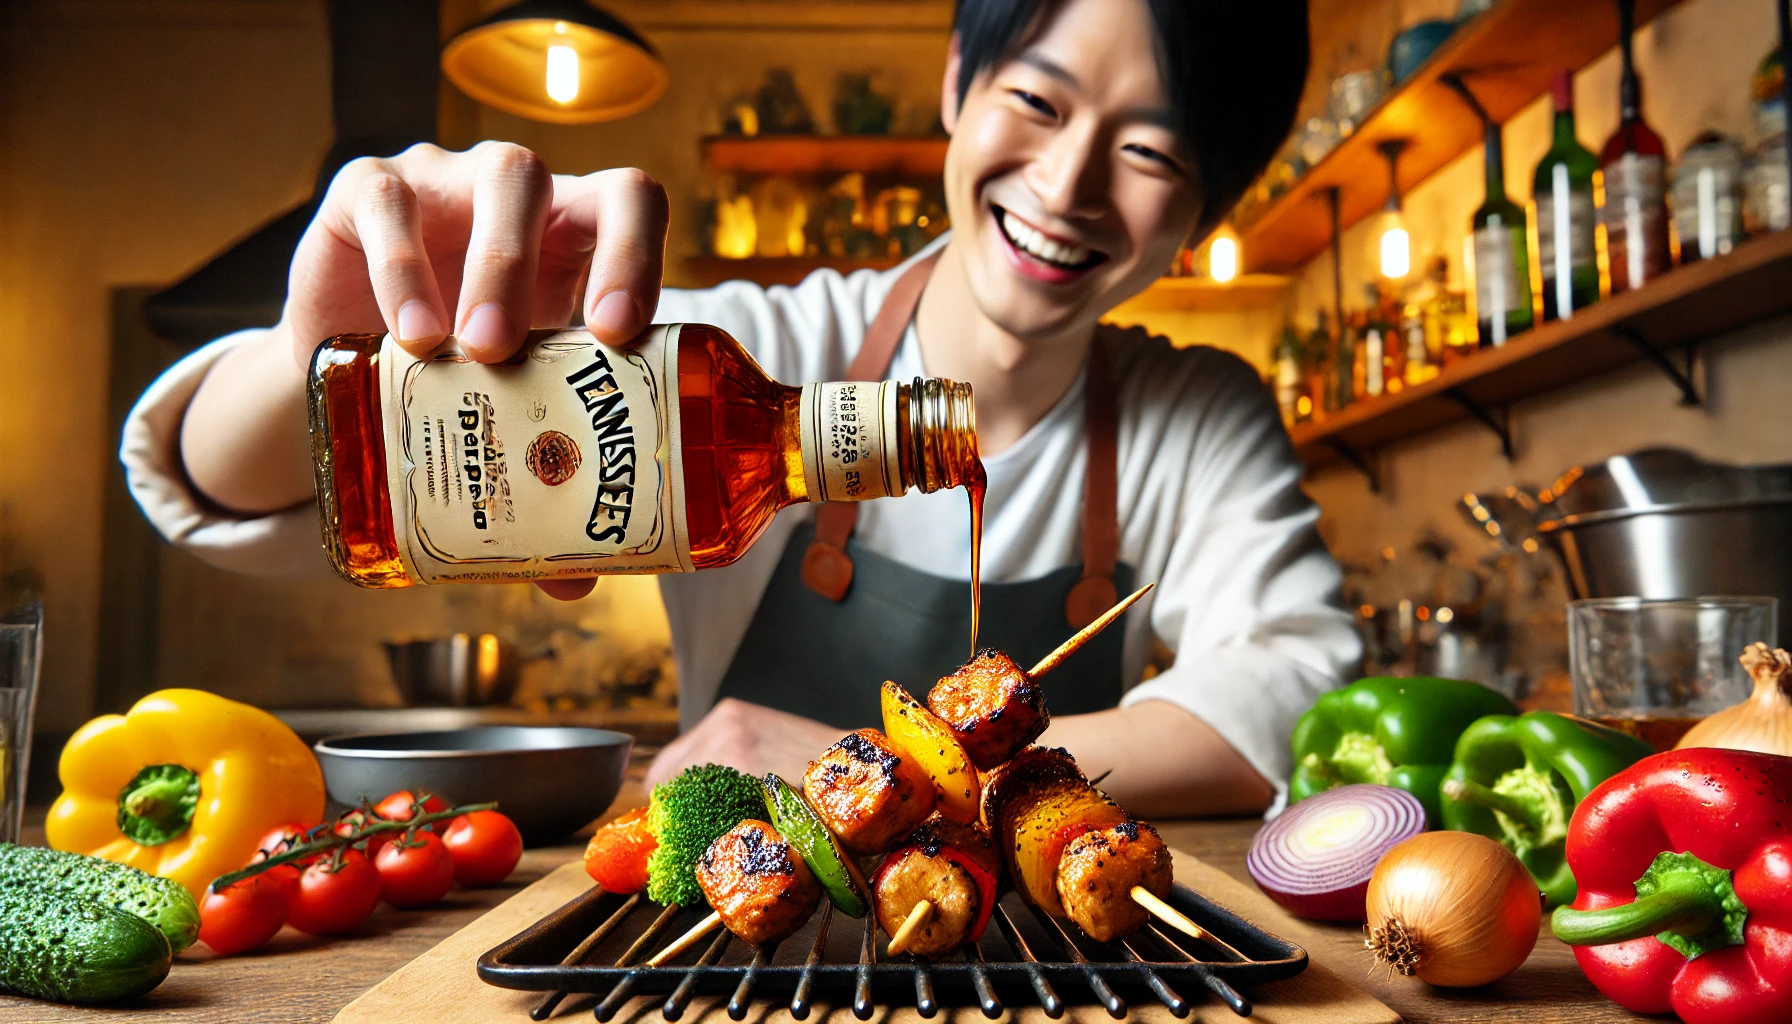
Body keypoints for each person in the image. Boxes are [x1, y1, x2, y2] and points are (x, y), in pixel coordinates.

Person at [125, 0, 1358, 818]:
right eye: (1035, 103)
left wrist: (885, 776)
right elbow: (235, 487)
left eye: (1149, 153)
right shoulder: (739, 354)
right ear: (954, 83)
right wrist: (311, 353)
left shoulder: (1199, 412)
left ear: (1205, 210)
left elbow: (1293, 701)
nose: (1068, 182)